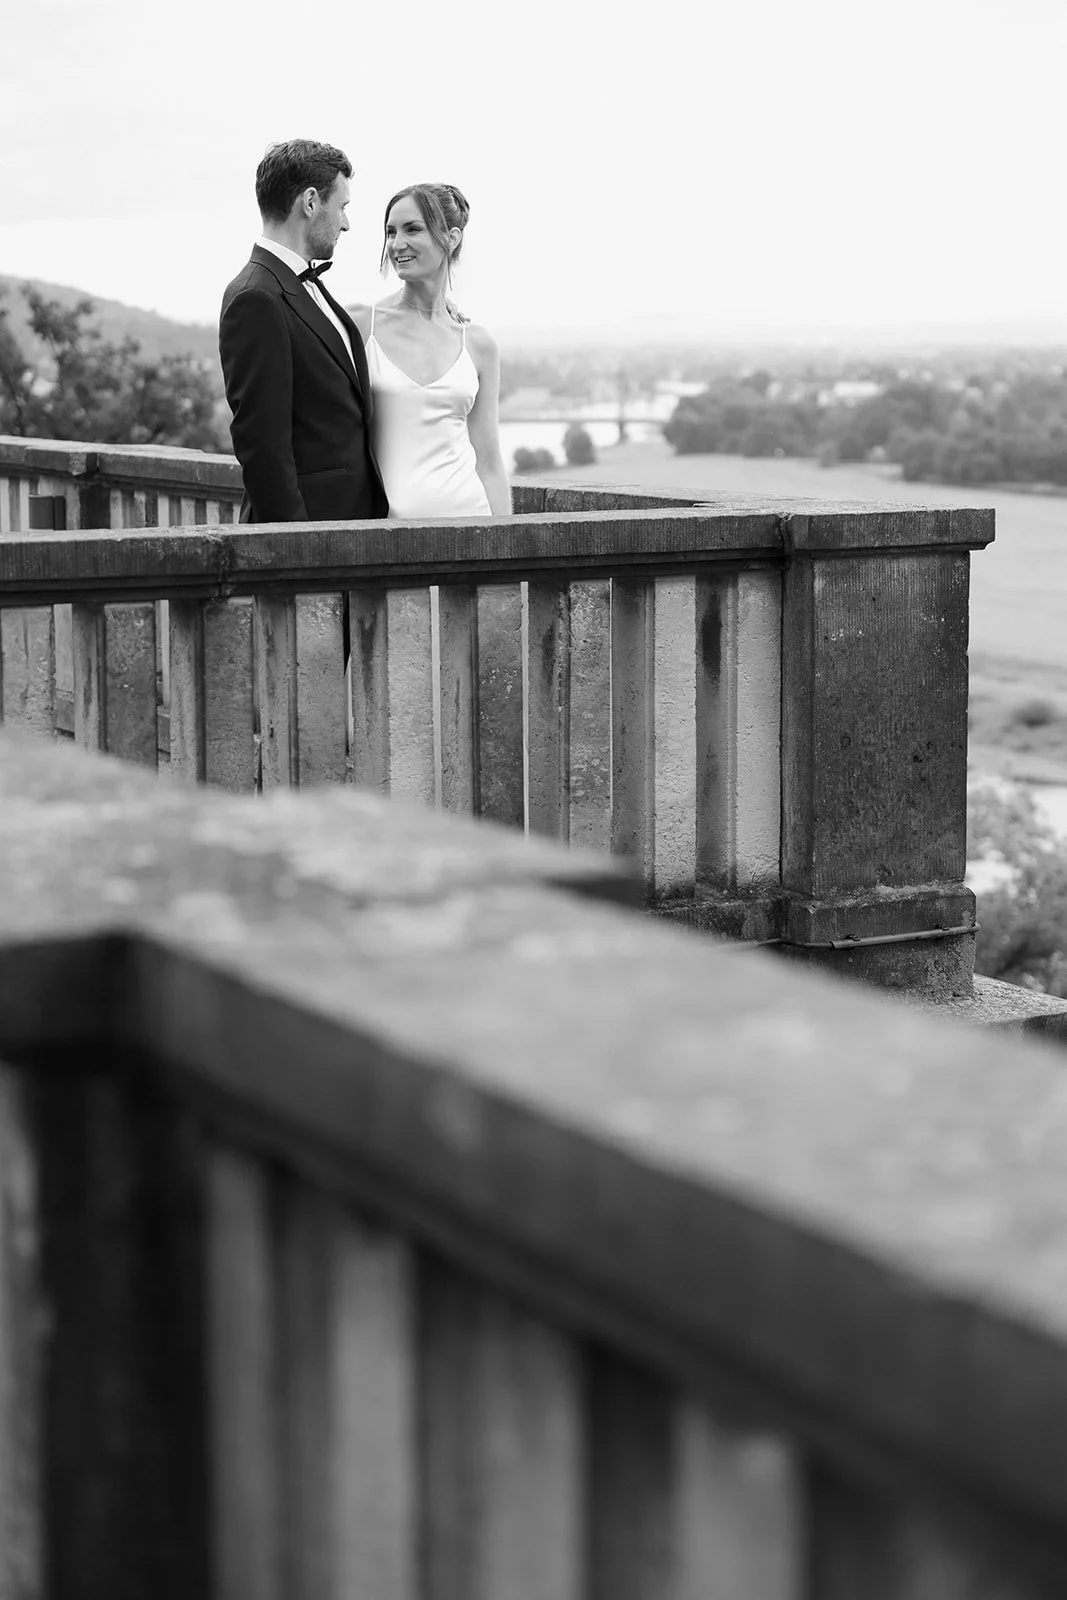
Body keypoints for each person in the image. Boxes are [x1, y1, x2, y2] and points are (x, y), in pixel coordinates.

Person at [219, 140, 387, 523]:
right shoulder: (256, 297)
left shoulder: (303, 284)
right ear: (310, 202)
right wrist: (301, 558)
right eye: (342, 206)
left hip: (351, 530)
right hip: (311, 543)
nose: (346, 222)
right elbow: (263, 449)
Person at [348, 184, 511, 519]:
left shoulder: (478, 344)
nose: (397, 244)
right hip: (384, 537)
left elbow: (490, 462)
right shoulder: (362, 326)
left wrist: (508, 552)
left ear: (451, 238)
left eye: (413, 229)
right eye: (390, 232)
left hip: (472, 527)